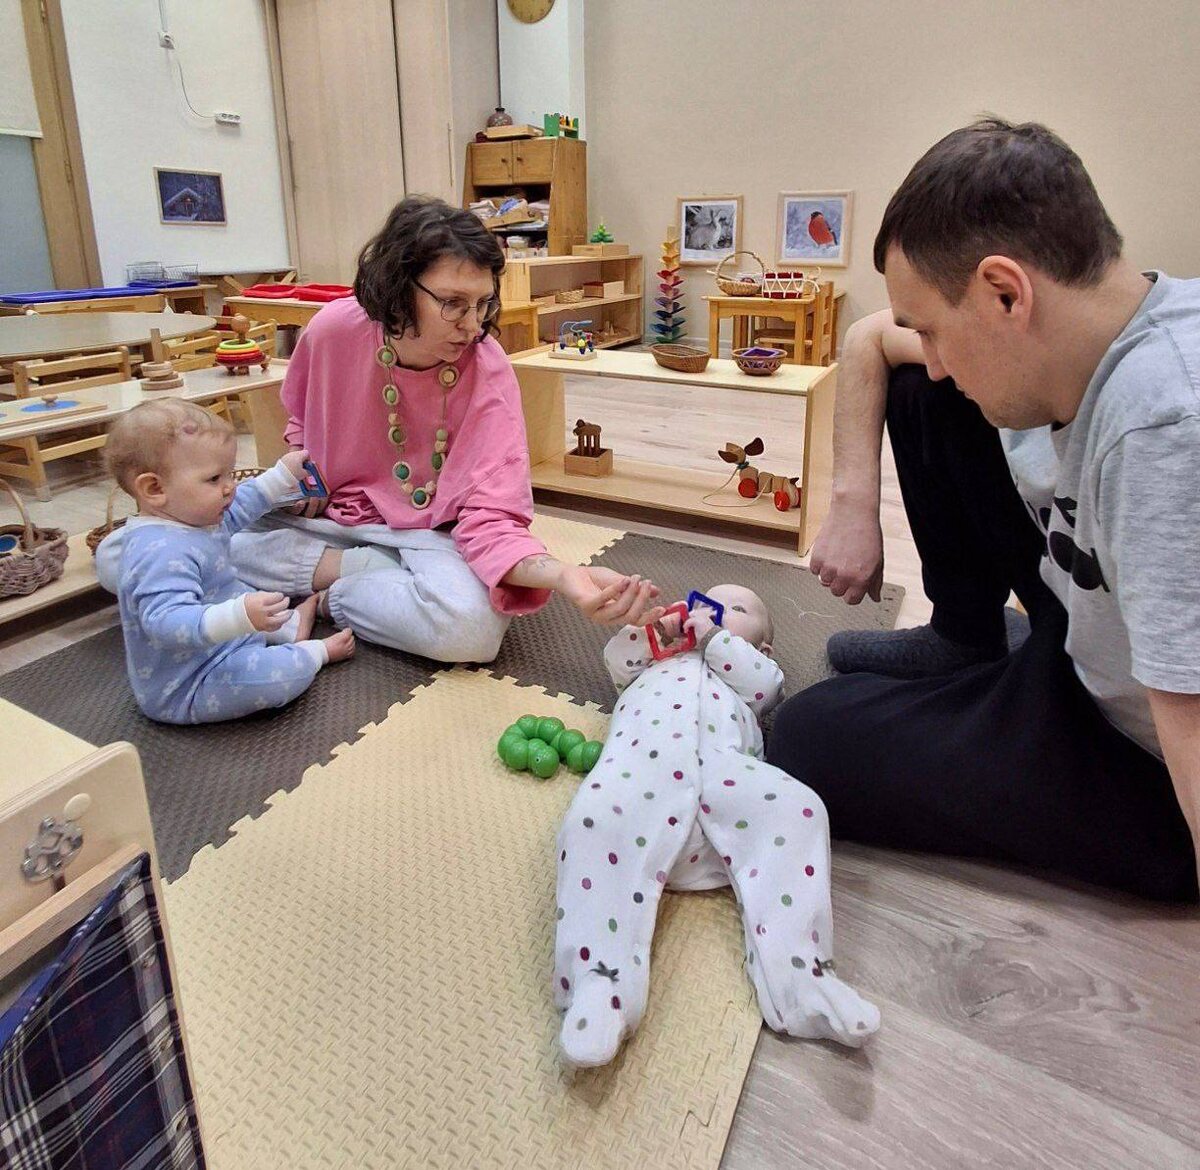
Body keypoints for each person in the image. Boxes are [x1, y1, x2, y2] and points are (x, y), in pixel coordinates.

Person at [768, 119, 1200, 903]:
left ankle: (1004, 667)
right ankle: (968, 638)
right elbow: (870, 339)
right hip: (1082, 634)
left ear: (1006, 292)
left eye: (935, 331)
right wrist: (854, 503)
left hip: (1145, 764)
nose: (933, 356)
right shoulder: (1101, 326)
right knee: (920, 390)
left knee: (806, 735)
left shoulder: (1165, 428)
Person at [99, 197, 662, 661]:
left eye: (482, 304)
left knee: (472, 633)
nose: (472, 326)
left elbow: (492, 514)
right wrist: (308, 475)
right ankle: (351, 574)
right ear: (397, 287)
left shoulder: (488, 371)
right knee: (118, 556)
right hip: (321, 521)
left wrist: (564, 576)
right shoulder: (334, 329)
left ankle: (333, 596)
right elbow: (301, 416)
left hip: (424, 535)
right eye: (452, 303)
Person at [552, 584, 879, 1067]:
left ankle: (803, 981)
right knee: (589, 820)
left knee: (801, 809)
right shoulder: (656, 661)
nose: (712, 611)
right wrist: (648, 632)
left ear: (763, 646)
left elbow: (767, 688)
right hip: (639, 777)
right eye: (702, 602)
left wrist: (715, 640)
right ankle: (599, 984)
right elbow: (617, 663)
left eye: (736, 608)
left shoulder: (748, 669)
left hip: (725, 786)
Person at [104, 399, 355, 725]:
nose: (229, 487)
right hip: (192, 683)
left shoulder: (193, 517)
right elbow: (166, 623)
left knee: (250, 594)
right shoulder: (157, 552)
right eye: (214, 479)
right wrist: (239, 615)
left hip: (225, 642)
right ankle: (312, 652)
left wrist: (283, 475)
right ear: (154, 488)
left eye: (230, 474)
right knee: (279, 678)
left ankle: (292, 626)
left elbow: (244, 504)